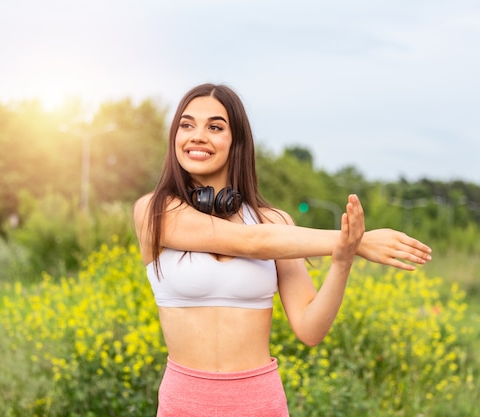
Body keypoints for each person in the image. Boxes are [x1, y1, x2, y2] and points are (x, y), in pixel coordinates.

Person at [132, 83, 432, 417]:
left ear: (237, 141)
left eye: (215, 127)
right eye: (186, 125)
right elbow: (251, 242)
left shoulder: (273, 221)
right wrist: (358, 242)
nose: (197, 135)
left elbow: (310, 329)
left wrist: (344, 257)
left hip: (259, 403)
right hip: (183, 404)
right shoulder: (154, 211)